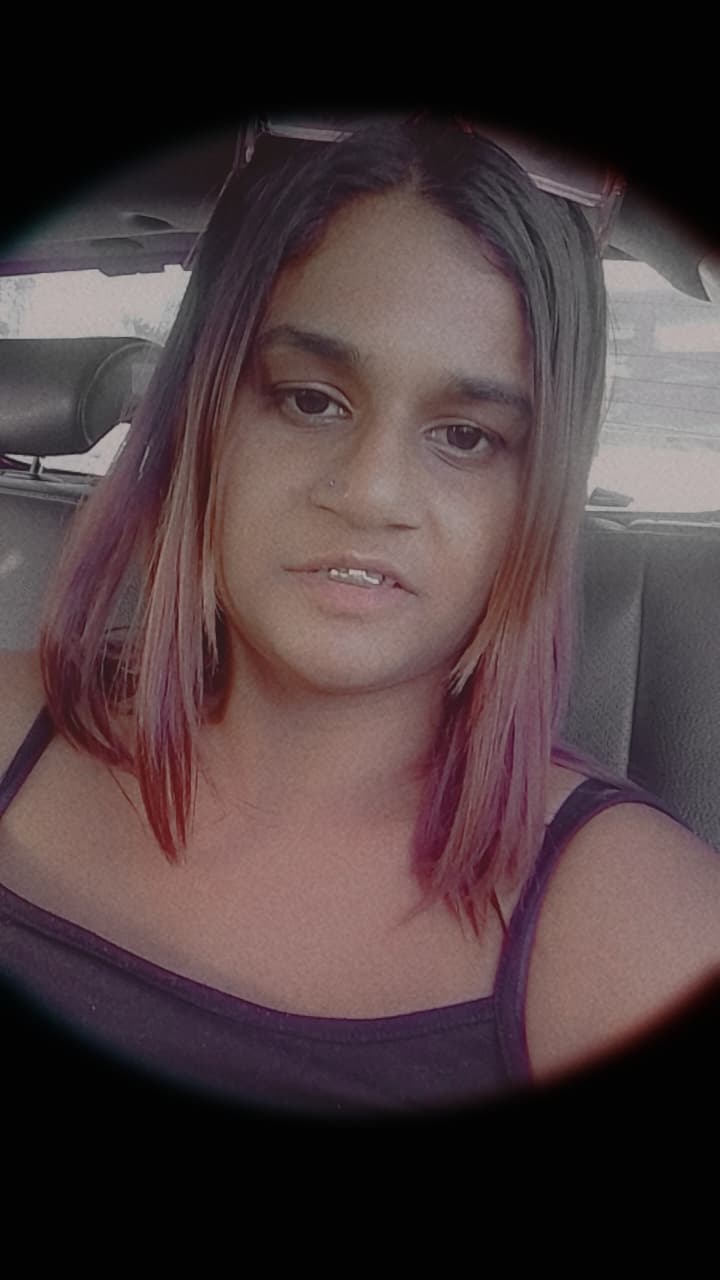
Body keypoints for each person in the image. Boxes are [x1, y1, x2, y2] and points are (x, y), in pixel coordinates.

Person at [1, 115, 719, 1120]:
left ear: (539, 490)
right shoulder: (10, 723)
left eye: (466, 436)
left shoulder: (640, 929)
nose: (371, 491)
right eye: (309, 401)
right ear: (204, 412)